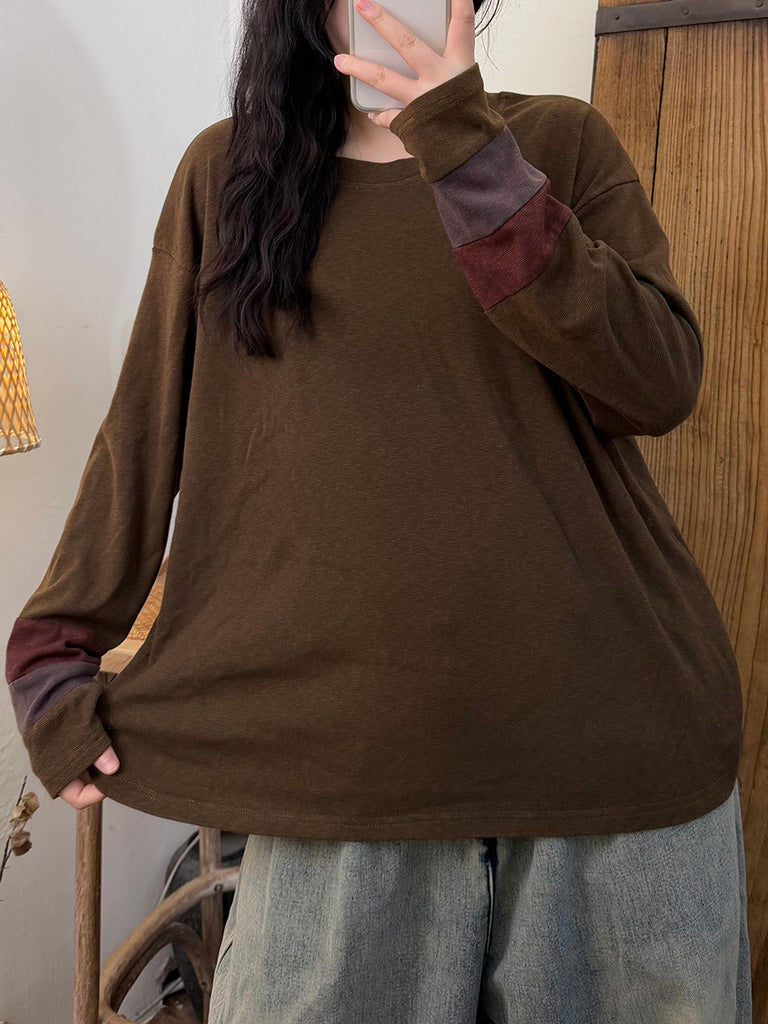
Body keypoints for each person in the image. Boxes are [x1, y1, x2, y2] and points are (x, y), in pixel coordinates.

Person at [5, 0, 752, 1020]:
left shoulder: (559, 143)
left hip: (613, 761)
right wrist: (53, 643)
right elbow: (144, 430)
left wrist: (470, 157)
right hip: (340, 773)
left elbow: (658, 384)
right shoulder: (229, 177)